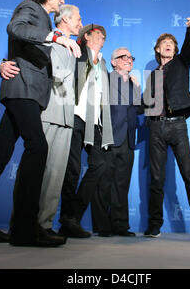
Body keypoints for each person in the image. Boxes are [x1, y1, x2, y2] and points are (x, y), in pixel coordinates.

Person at [0, 0, 76, 247]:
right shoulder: (30, 8)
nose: (62, 0)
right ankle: (25, 230)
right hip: (22, 90)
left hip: (22, 92)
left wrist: (8, 60)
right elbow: (16, 28)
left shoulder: (42, 16)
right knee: (37, 147)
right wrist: (55, 36)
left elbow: (21, 47)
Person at [0, 4, 82, 237]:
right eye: (78, 17)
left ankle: (44, 225)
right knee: (38, 172)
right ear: (64, 19)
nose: (80, 22)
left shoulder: (74, 47)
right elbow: (23, 58)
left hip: (67, 117)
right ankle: (26, 224)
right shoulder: (46, 39)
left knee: (55, 176)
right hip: (46, 113)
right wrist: (3, 63)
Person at [143, 10, 190, 240]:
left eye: (171, 44)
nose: (168, 45)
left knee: (188, 173)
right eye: (164, 43)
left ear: (175, 50)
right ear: (157, 49)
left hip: (177, 126)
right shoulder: (152, 74)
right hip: (156, 127)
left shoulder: (182, 62)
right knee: (156, 177)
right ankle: (154, 225)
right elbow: (147, 103)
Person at [59, 24, 114, 238]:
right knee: (72, 170)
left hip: (95, 122)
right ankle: (68, 222)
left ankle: (72, 215)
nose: (103, 37)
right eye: (100, 34)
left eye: (105, 35)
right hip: (74, 116)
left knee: (100, 163)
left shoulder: (103, 65)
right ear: (87, 36)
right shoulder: (76, 53)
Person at [91, 47, 142, 237]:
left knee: (122, 185)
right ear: (114, 62)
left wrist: (137, 89)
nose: (129, 60)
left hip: (128, 140)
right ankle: (102, 225)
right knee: (103, 183)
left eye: (131, 57)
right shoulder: (105, 78)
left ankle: (120, 225)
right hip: (108, 138)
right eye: (124, 57)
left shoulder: (134, 84)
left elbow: (137, 110)